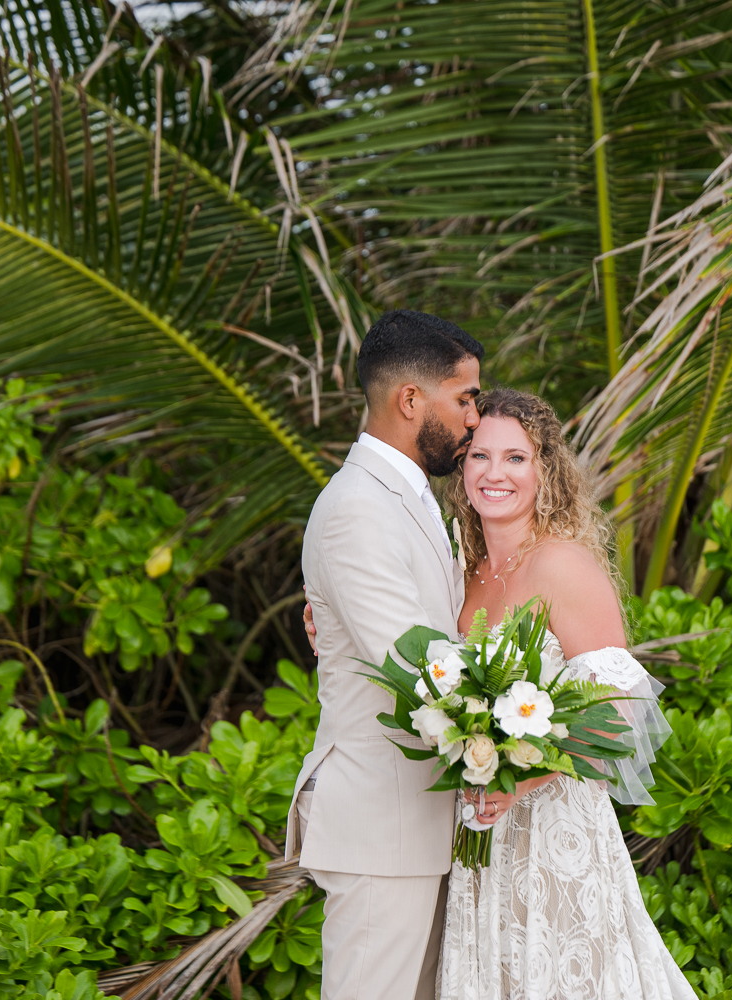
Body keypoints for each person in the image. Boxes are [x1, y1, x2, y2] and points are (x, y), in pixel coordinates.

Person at [435, 388, 696, 1000]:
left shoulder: (561, 565)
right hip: (479, 837)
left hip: (553, 831)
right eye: (479, 456)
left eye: (516, 458)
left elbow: (619, 715)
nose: (493, 473)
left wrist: (519, 777)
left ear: (545, 471)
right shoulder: (460, 569)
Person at [286, 309, 483, 1000]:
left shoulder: (416, 501)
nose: (474, 420)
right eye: (464, 399)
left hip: (423, 828)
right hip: (383, 828)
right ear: (409, 401)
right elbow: (421, 664)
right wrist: (537, 707)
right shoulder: (356, 511)